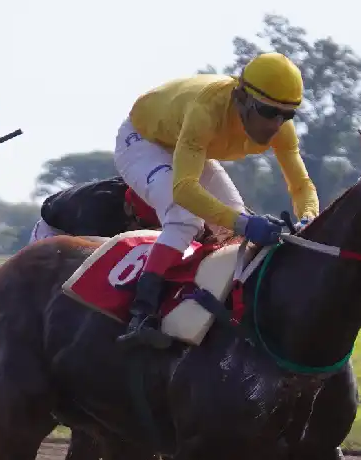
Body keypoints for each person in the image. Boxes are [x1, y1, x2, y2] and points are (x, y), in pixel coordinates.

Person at [112, 51, 321, 349]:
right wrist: (246, 223)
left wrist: (309, 218)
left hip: (187, 144)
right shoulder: (206, 111)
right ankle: (141, 313)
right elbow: (185, 189)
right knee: (185, 218)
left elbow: (301, 185)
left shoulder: (279, 127)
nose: (276, 124)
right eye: (268, 111)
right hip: (143, 141)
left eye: (287, 115)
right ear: (242, 98)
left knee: (232, 229)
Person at [28, 176, 160, 244]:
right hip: (55, 231)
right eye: (143, 225)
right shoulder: (98, 210)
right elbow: (83, 250)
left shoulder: (139, 190)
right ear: (129, 208)